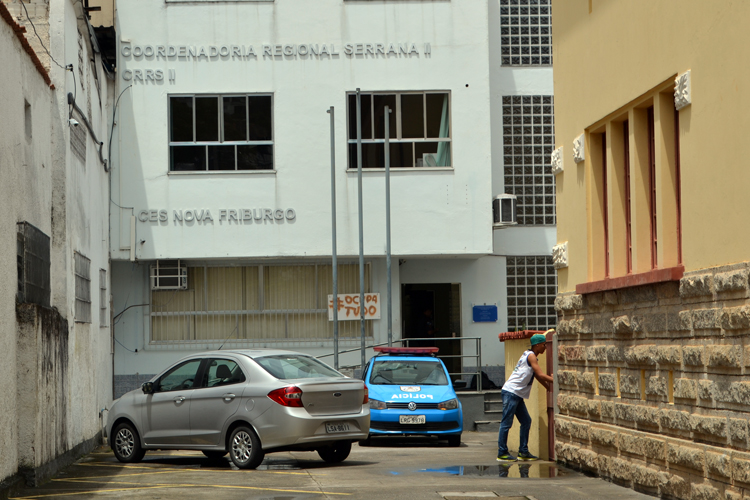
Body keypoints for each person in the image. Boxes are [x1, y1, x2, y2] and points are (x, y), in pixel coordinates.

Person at [497, 332, 554, 462]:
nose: (545, 347)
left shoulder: (529, 355)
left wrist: (548, 387)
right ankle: (502, 453)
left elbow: (538, 376)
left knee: (526, 421)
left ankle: (523, 452)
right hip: (511, 392)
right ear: (538, 345)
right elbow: (541, 374)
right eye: (544, 344)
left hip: (516, 394)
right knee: (506, 423)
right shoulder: (531, 356)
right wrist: (555, 380)